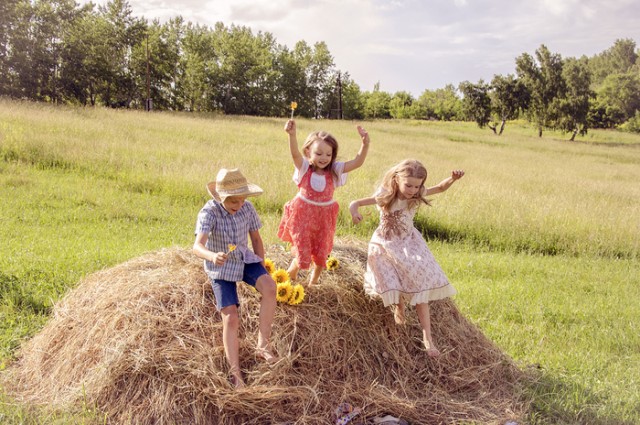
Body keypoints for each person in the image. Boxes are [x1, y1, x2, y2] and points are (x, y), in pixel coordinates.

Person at [349, 159, 464, 357]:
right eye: (408, 185)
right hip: (385, 244)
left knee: (420, 286)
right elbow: (356, 202)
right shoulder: (386, 195)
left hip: (409, 243)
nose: (412, 190)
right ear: (397, 179)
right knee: (393, 281)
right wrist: (354, 211)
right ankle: (399, 317)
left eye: (417, 186)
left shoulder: (417, 195)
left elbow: (441, 188)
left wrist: (452, 179)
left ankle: (428, 338)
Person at [193, 168, 278, 388]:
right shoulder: (209, 212)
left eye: (242, 200)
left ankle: (263, 345)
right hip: (219, 267)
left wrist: (261, 267)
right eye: (233, 202)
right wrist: (212, 256)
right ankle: (236, 375)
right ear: (221, 198)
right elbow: (197, 246)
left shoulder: (247, 208)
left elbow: (257, 240)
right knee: (231, 317)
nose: (238, 205)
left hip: (243, 258)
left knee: (270, 287)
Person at [278, 119, 371, 286]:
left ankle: (314, 282)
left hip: (324, 217)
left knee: (322, 249)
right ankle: (291, 274)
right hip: (303, 215)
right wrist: (292, 135)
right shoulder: (304, 167)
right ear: (308, 152)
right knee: (302, 248)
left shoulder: (335, 170)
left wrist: (365, 145)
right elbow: (294, 154)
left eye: (329, 154)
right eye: (319, 153)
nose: (324, 158)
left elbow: (357, 162)